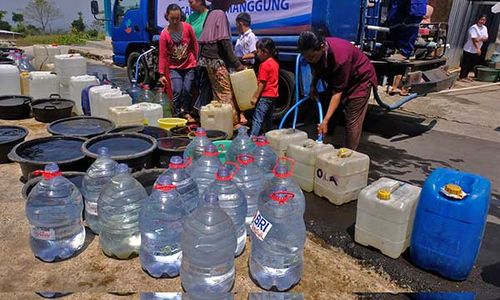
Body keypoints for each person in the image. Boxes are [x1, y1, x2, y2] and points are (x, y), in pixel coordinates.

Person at [298, 31, 378, 151]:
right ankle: (324, 144)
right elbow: (315, 68)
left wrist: (325, 121)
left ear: (322, 47)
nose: (310, 60)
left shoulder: (340, 58)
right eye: (306, 57)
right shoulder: (315, 55)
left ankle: (349, 155)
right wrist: (313, 86)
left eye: (312, 57)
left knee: (352, 121)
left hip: (359, 81)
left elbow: (337, 93)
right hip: (340, 79)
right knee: (328, 109)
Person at [198, 0, 246, 127]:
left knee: (217, 93)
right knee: (226, 93)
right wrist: (237, 64)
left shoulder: (210, 14)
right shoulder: (220, 14)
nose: (229, 5)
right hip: (216, 60)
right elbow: (224, 42)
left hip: (208, 59)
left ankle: (218, 123)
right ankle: (231, 123)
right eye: (228, 2)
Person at [159, 4, 199, 122]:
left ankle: (186, 112)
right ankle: (176, 114)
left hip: (189, 65)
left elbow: (195, 45)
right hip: (174, 67)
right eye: (172, 18)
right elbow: (162, 55)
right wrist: (161, 74)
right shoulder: (164, 34)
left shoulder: (187, 28)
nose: (175, 21)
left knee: (187, 90)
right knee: (177, 90)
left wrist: (198, 61)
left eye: (177, 18)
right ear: (167, 17)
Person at [187, 0, 212, 111]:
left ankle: (205, 109)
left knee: (206, 84)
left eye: (191, 2)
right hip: (193, 57)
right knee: (194, 84)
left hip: (207, 56)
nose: (189, 5)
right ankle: (196, 110)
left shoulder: (210, 15)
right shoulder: (191, 18)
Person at [250, 38, 279, 136]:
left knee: (258, 118)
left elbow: (262, 83)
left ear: (265, 52)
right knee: (268, 118)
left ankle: (252, 139)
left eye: (258, 51)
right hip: (273, 96)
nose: (257, 54)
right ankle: (270, 137)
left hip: (265, 96)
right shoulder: (275, 64)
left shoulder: (264, 65)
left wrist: (255, 97)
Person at [459, 15, 488, 82]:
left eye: (484, 20)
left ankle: (466, 76)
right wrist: (478, 48)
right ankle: (462, 77)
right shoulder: (473, 27)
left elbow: (486, 38)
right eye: (481, 19)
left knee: (471, 64)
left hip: (476, 50)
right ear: (478, 20)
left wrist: (480, 38)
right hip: (469, 49)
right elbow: (474, 40)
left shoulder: (484, 28)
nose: (482, 21)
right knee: (465, 63)